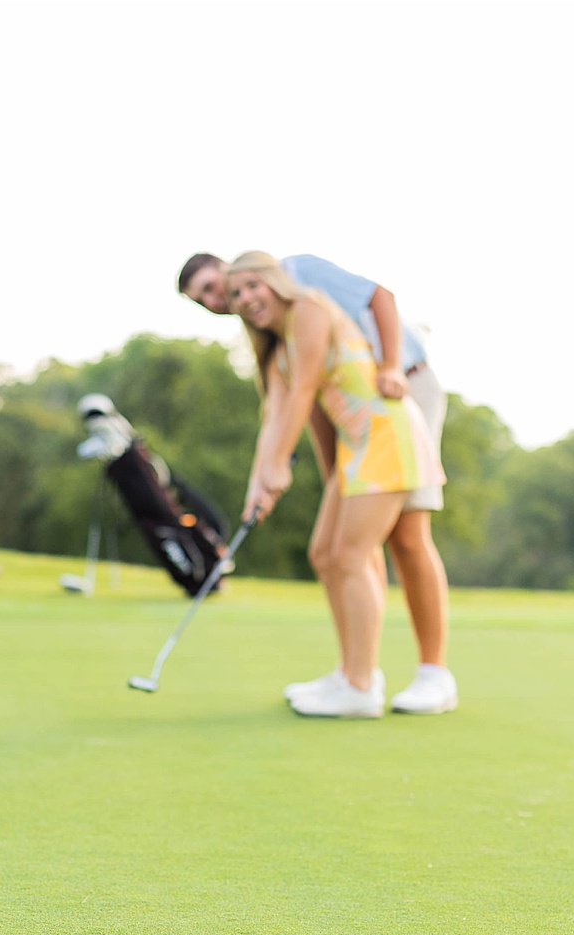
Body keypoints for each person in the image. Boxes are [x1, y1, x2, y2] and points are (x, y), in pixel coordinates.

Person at [179, 252, 456, 715]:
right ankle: (352, 672)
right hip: (358, 444)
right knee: (325, 554)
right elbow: (276, 416)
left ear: (271, 279)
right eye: (231, 294)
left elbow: (307, 386)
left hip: (387, 429)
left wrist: (279, 466)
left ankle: (368, 685)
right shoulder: (276, 344)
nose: (234, 298)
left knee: (362, 552)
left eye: (245, 286)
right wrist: (259, 483)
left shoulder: (308, 303)